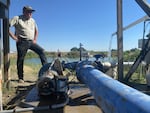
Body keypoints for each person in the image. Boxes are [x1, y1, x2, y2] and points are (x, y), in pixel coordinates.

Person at [9, 6, 48, 83]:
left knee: (42, 52)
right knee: (21, 59)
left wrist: (35, 39)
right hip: (22, 42)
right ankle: (21, 78)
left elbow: (36, 30)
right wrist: (14, 37)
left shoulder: (33, 20)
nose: (30, 14)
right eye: (28, 12)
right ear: (24, 12)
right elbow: (7, 26)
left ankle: (46, 73)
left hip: (31, 42)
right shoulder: (17, 18)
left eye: (31, 12)